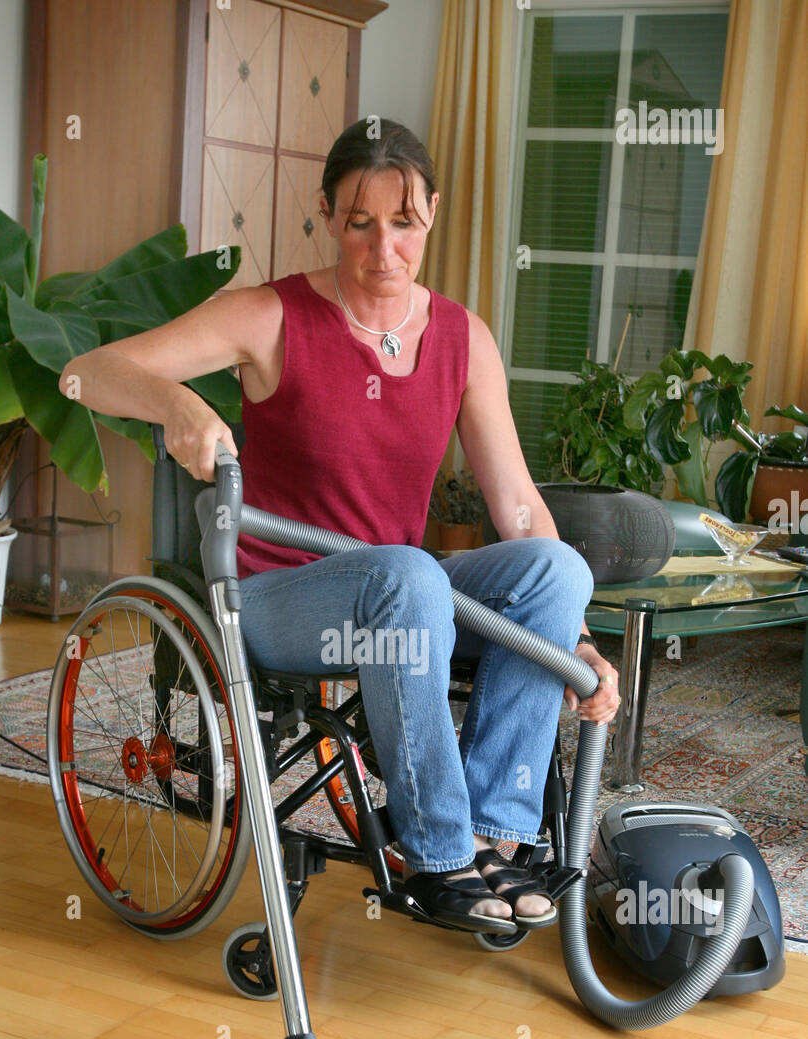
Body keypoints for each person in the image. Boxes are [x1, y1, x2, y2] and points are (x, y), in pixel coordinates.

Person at [59, 118, 620, 935]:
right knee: (408, 573)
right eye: (361, 224)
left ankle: (497, 836)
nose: (384, 250)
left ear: (434, 211)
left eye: (404, 223)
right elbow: (85, 373)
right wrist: (175, 402)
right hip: (281, 599)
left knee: (557, 571)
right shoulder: (272, 316)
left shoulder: (464, 338)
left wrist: (569, 634)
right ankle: (438, 854)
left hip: (406, 601)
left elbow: (522, 511)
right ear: (327, 215)